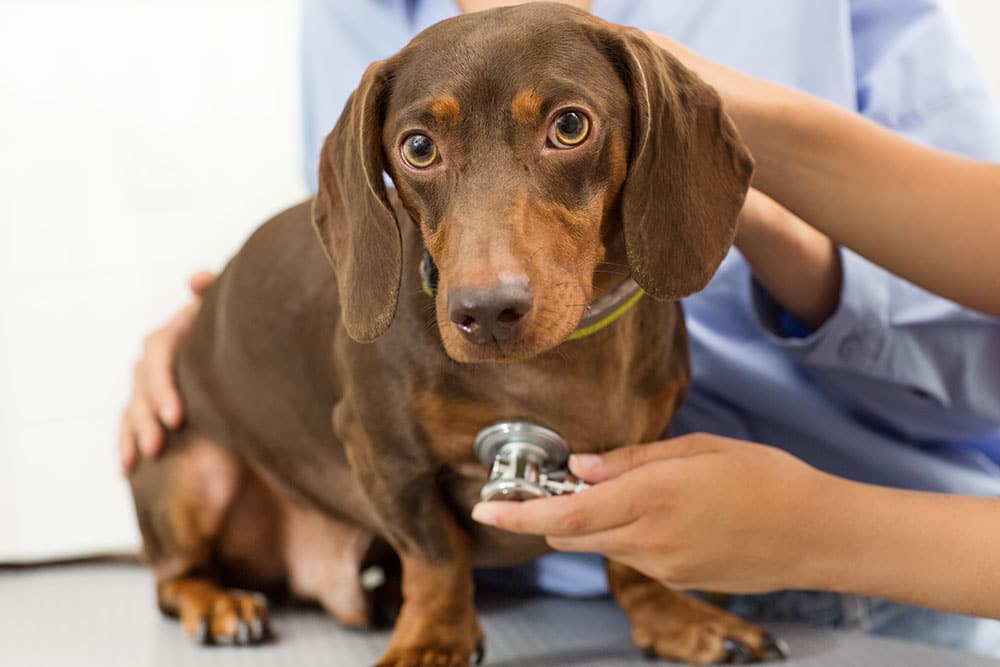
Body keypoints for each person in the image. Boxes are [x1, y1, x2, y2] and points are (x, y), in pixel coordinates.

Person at [119, 0, 1000, 655]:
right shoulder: (364, 18)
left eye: (568, 127)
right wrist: (221, 331)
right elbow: (366, 295)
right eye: (422, 148)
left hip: (906, 583)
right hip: (513, 602)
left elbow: (983, 360)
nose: (488, 283)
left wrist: (767, 223)